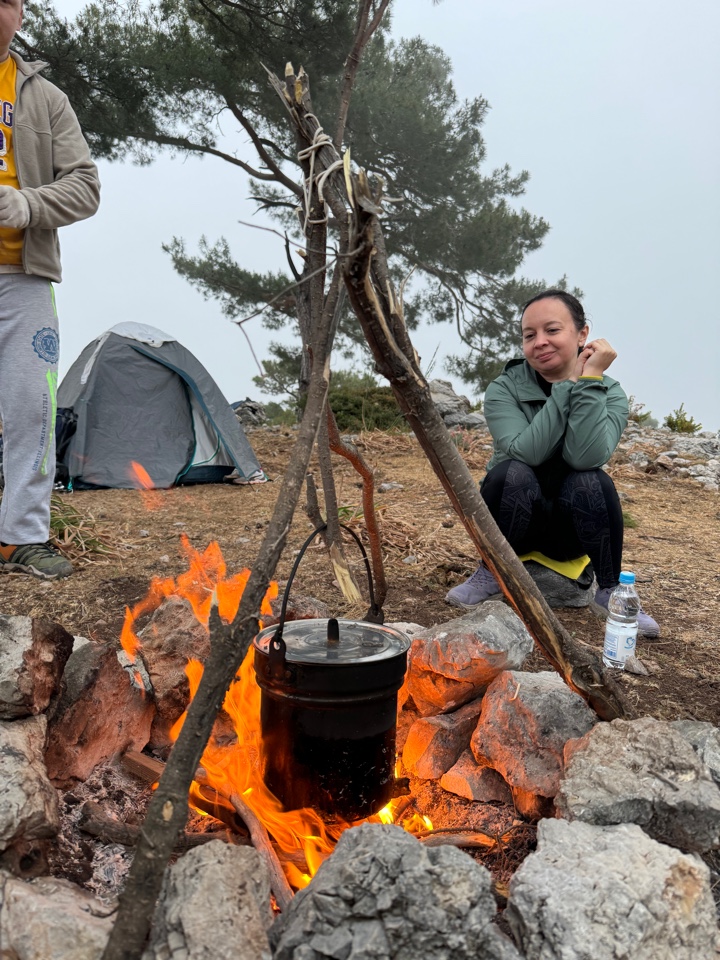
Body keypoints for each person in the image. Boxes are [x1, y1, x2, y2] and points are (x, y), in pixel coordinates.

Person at [445, 289, 660, 638]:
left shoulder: (611, 393)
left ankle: (609, 590)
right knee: (510, 472)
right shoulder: (504, 389)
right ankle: (491, 571)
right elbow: (526, 453)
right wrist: (567, 385)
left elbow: (585, 457)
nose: (540, 342)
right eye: (529, 336)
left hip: (570, 531)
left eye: (552, 330)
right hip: (513, 523)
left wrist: (587, 382)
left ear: (582, 334)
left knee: (592, 480)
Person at [0, 0, 100, 580]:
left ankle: (21, 538)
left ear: (21, 13)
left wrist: (26, 204)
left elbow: (86, 186)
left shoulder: (45, 97)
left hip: (25, 280)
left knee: (32, 410)